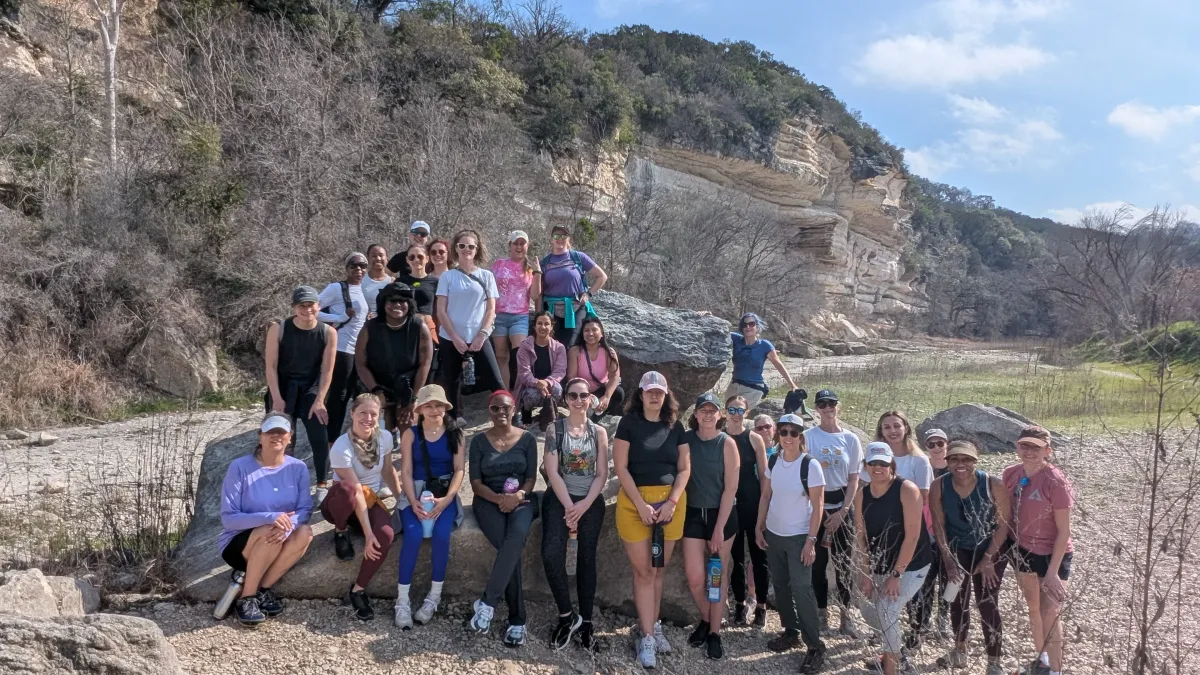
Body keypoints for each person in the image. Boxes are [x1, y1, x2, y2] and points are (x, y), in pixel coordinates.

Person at [613, 371, 691, 669]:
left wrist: (671, 502)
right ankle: (646, 636)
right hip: (636, 506)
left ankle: (653, 624)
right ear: (641, 395)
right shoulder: (628, 424)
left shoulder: (676, 426)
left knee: (658, 571)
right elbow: (621, 468)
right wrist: (641, 505)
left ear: (666, 395)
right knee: (644, 572)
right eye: (649, 391)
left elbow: (684, 469)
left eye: (659, 391)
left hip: (671, 505)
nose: (655, 396)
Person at [218, 414, 314, 626]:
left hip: (280, 535)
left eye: (282, 432)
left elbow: (305, 508)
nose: (276, 436)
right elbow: (229, 519)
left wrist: (288, 526)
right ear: (260, 436)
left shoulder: (298, 468)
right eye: (270, 431)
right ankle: (247, 599)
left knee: (305, 532)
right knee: (271, 528)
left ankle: (262, 590)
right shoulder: (240, 467)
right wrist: (269, 518)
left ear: (290, 437)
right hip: (240, 543)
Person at [541, 377, 611, 652]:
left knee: (586, 559)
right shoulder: (554, 429)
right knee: (550, 553)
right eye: (573, 395)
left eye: (584, 395)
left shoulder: (599, 432)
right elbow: (552, 471)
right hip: (560, 498)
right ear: (565, 399)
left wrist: (582, 506)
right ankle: (566, 616)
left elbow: (602, 473)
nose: (579, 400)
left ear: (591, 399)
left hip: (590, 500)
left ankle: (587, 623)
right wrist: (570, 506)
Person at [930, 440, 1011, 675]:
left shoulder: (993, 484)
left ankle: (994, 661)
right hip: (955, 548)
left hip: (990, 548)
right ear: (947, 462)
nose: (960, 464)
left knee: (987, 602)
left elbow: (1003, 526)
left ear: (975, 461)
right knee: (956, 599)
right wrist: (948, 560)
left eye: (966, 459)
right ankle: (959, 649)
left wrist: (987, 559)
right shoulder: (939, 486)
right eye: (954, 459)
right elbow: (939, 525)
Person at [467, 390, 540, 647]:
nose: (501, 413)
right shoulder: (477, 442)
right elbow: (475, 483)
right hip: (488, 501)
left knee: (516, 535)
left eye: (505, 408)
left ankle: (487, 602)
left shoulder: (528, 439)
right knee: (510, 549)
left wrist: (518, 495)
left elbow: (531, 478)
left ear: (514, 410)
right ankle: (517, 620)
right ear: (489, 411)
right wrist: (499, 499)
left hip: (521, 500)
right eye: (495, 409)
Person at [756, 413, 827, 674]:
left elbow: (818, 507)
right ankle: (791, 630)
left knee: (802, 588)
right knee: (781, 586)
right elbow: (766, 495)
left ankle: (815, 645)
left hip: (799, 537)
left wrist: (811, 541)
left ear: (800, 436)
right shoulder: (774, 460)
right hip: (774, 534)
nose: (788, 437)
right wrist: (758, 526)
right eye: (783, 432)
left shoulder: (810, 465)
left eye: (793, 432)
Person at [855, 442, 933, 675]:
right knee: (868, 609)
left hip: (912, 564)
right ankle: (895, 650)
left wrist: (896, 574)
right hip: (880, 562)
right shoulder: (862, 494)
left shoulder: (906, 489)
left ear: (892, 464)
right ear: (865, 466)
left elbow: (912, 536)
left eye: (883, 463)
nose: (878, 467)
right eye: (873, 463)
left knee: (888, 609)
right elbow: (861, 537)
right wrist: (866, 573)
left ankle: (892, 668)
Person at [322, 394, 401, 621]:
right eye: (363, 413)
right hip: (342, 503)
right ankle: (340, 531)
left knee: (385, 535)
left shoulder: (385, 437)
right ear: (353, 414)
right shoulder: (341, 446)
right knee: (346, 489)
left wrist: (402, 500)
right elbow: (355, 489)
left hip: (370, 499)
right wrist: (367, 534)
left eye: (373, 414)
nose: (368, 418)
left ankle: (358, 589)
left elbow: (388, 471)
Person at [393, 384, 466, 629]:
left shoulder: (456, 433)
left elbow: (459, 470)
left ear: (446, 408)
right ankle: (402, 600)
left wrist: (447, 500)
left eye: (439, 405)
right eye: (429, 405)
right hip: (416, 491)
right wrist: (412, 500)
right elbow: (405, 469)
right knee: (412, 534)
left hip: (444, 494)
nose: (434, 410)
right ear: (421, 409)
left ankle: (434, 596)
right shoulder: (410, 434)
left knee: (441, 534)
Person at [1003, 426, 1073, 675]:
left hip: (1052, 552)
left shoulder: (1056, 481)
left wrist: (1053, 572)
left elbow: (1064, 531)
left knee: (1049, 611)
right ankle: (1042, 660)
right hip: (1022, 549)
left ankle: (1056, 670)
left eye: (1036, 447)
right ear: (1017, 446)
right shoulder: (1011, 473)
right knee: (1033, 607)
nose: (1029, 451)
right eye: (1024, 445)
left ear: (1047, 450)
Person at [863, 410, 934, 648]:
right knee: (880, 603)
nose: (892, 431)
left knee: (900, 600)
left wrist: (897, 573)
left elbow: (922, 500)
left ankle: (905, 646)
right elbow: (862, 526)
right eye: (887, 427)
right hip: (883, 547)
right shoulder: (872, 470)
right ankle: (888, 640)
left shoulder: (918, 461)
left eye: (896, 425)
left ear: (906, 428)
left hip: (911, 539)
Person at [681, 392, 740, 660]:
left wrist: (719, 527)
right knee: (695, 577)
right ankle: (706, 619)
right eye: (702, 409)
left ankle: (715, 633)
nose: (707, 414)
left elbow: (731, 488)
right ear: (695, 414)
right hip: (692, 514)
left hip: (722, 516)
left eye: (712, 410)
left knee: (716, 578)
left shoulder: (726, 443)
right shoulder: (687, 440)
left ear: (720, 415)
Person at [264, 286, 337, 498]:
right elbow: (270, 366)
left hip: (312, 387)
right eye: (302, 306)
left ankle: (322, 483)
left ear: (319, 305)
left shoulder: (328, 332)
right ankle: (280, 481)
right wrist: (276, 399)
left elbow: (327, 370)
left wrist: (321, 399)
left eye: (311, 305)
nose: (307, 310)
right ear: (294, 307)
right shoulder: (279, 328)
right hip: (283, 386)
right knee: (280, 437)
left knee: (319, 434)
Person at [802, 389, 863, 637]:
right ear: (816, 409)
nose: (828, 408)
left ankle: (846, 616)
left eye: (832, 403)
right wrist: (817, 509)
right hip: (816, 505)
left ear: (839, 406)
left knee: (843, 564)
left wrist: (844, 510)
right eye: (822, 404)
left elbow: (854, 478)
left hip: (841, 505)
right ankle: (821, 613)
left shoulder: (850, 439)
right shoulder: (808, 437)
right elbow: (803, 473)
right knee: (817, 564)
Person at [434, 230, 504, 419]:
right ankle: (455, 420)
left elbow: (491, 310)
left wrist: (482, 334)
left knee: (495, 379)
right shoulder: (447, 277)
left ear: (477, 249)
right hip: (451, 338)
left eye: (471, 246)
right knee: (452, 382)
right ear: (456, 248)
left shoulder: (487, 276)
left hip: (479, 337)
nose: (466, 250)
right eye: (462, 246)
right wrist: (455, 338)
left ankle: (508, 416)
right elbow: (441, 311)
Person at [318, 252, 372, 482]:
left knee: (361, 398)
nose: (358, 269)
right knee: (339, 398)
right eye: (354, 265)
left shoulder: (365, 288)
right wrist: (339, 317)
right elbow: (314, 311)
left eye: (363, 266)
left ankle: (360, 450)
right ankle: (332, 450)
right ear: (346, 267)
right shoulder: (335, 288)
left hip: (360, 352)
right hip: (341, 350)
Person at [354, 283, 433, 434]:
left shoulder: (419, 326)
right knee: (380, 431)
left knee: (408, 427)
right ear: (383, 304)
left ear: (409, 304)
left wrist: (413, 398)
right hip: (377, 385)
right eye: (392, 301)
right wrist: (376, 391)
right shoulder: (369, 328)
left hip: (408, 387)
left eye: (402, 301)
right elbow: (360, 364)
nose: (397, 305)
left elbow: (425, 364)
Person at [725, 395, 771, 627]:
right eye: (731, 409)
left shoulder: (754, 439)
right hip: (729, 505)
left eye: (740, 410)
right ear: (725, 412)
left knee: (758, 556)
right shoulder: (721, 438)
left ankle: (762, 607)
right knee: (736, 559)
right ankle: (740, 605)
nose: (735, 414)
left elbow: (764, 475)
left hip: (752, 503)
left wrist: (763, 509)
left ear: (747, 413)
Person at [913, 428, 952, 640]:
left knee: (949, 580)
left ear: (947, 443)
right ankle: (924, 620)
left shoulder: (956, 467)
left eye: (940, 443)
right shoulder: (922, 467)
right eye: (931, 444)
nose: (936, 447)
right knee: (926, 580)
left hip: (950, 533)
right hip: (926, 533)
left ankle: (943, 621)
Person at [540, 225, 607, 348]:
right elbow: (539, 291)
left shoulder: (578, 257)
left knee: (569, 346)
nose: (559, 239)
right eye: (556, 236)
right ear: (551, 239)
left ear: (568, 239)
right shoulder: (544, 263)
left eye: (563, 235)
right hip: (552, 310)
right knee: (552, 346)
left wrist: (588, 294)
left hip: (576, 307)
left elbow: (602, 276)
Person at [492, 230, 541, 389]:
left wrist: (537, 273)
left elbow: (535, 295)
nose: (519, 247)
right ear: (510, 245)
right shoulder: (499, 264)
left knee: (520, 355)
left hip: (519, 316)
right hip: (498, 315)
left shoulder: (530, 267)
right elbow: (489, 288)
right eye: (516, 243)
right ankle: (505, 395)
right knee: (501, 357)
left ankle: (519, 394)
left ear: (527, 246)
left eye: (522, 243)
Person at [724, 313, 799, 410]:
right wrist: (707, 315)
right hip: (734, 385)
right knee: (727, 414)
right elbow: (719, 330)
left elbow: (779, 365)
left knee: (740, 414)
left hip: (753, 389)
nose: (748, 327)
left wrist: (792, 385)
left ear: (757, 326)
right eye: (744, 324)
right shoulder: (736, 339)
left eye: (751, 324)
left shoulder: (764, 345)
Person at [513, 311, 567, 429]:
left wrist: (546, 382)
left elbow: (560, 371)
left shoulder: (559, 348)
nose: (543, 327)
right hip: (530, 386)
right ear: (534, 326)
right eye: (539, 323)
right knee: (530, 395)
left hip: (550, 385)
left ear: (552, 326)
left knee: (557, 390)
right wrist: (538, 383)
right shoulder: (525, 346)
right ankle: (526, 414)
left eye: (547, 324)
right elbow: (524, 373)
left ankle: (548, 412)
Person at [565, 316, 623, 422]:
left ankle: (596, 418)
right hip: (579, 391)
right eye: (586, 330)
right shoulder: (575, 351)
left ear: (601, 333)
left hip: (599, 390)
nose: (590, 333)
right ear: (582, 334)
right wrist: (585, 394)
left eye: (594, 330)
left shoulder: (609, 352)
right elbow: (571, 377)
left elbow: (615, 376)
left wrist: (607, 396)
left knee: (619, 393)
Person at [394, 244, 439, 317]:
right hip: (406, 325)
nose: (416, 260)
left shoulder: (435, 282)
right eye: (412, 257)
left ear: (427, 259)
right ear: (407, 260)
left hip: (428, 325)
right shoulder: (399, 282)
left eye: (420, 257)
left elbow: (439, 309)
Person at [363, 244, 394, 314]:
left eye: (381, 255)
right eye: (374, 256)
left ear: (386, 259)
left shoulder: (392, 282)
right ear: (368, 259)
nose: (378, 258)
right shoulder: (361, 281)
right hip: (366, 323)